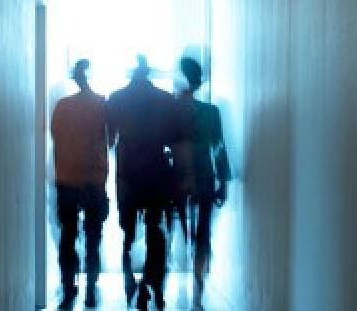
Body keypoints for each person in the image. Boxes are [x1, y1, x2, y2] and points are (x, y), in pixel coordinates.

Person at [107, 56, 182, 311]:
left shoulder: (117, 98)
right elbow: (174, 140)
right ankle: (153, 284)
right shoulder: (165, 99)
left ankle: (131, 282)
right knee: (154, 230)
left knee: (128, 233)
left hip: (127, 174)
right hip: (156, 173)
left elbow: (110, 140)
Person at [172, 56, 231, 311]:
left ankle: (187, 272)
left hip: (177, 177)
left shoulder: (173, 110)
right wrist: (224, 181)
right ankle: (198, 287)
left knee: (180, 229)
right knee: (203, 232)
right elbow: (219, 147)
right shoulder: (211, 112)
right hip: (205, 175)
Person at [50, 59, 109, 310]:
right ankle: (90, 290)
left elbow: (56, 138)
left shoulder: (62, 107)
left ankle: (68, 288)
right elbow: (110, 140)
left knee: (68, 236)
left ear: (74, 77)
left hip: (67, 180)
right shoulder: (102, 105)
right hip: (94, 181)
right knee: (93, 238)